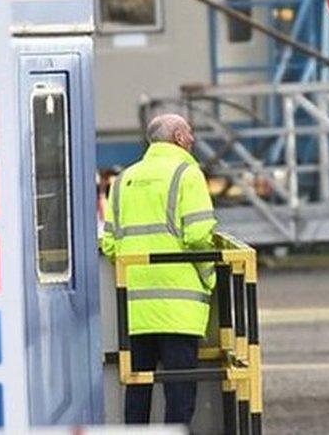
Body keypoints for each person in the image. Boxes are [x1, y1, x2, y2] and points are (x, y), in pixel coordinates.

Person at [101, 113, 218, 426]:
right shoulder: (187, 174)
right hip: (179, 306)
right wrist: (208, 277)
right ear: (178, 137)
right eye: (190, 133)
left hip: (136, 307)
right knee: (179, 393)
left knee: (138, 388)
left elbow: (110, 243)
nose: (193, 139)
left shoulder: (124, 179)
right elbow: (197, 236)